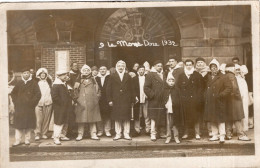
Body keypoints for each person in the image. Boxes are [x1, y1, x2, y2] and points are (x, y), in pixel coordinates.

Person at [11, 67, 41, 146]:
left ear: (30, 74)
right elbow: (13, 93)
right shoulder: (19, 83)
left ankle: (27, 140)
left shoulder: (34, 83)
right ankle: (18, 140)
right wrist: (16, 102)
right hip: (19, 107)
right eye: (24, 73)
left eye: (27, 73)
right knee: (19, 125)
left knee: (28, 124)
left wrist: (32, 103)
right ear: (22, 74)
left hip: (29, 107)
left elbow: (38, 95)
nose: (26, 74)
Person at [204, 59, 232, 143]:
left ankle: (222, 135)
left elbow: (229, 88)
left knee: (220, 119)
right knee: (212, 118)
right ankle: (215, 135)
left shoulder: (223, 76)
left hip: (219, 101)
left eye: (215, 67)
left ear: (218, 67)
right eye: (211, 67)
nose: (213, 69)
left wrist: (221, 95)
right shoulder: (208, 77)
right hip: (210, 101)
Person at [106, 60, 135, 140]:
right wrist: (110, 100)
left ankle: (126, 134)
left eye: (122, 65)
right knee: (117, 117)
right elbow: (108, 89)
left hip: (126, 100)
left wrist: (132, 100)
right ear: (116, 67)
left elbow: (132, 89)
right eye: (119, 66)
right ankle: (118, 134)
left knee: (126, 118)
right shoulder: (112, 76)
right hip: (116, 100)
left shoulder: (128, 76)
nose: (120, 67)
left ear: (124, 67)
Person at [176, 59, 204, 140]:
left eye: (190, 65)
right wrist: (181, 96)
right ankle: (186, 133)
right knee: (185, 117)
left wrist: (197, 97)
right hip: (185, 100)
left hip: (194, 100)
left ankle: (197, 133)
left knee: (196, 117)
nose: (188, 66)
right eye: (187, 65)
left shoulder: (197, 75)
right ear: (185, 65)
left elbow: (201, 87)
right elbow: (178, 87)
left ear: (193, 65)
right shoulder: (181, 75)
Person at [73, 65, 102, 141]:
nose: (86, 71)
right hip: (81, 103)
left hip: (92, 102)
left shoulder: (93, 80)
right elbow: (75, 91)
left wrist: (96, 99)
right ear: (82, 71)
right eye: (84, 70)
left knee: (92, 119)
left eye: (87, 70)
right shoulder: (78, 80)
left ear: (90, 71)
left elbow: (98, 90)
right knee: (81, 119)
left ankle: (93, 134)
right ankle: (80, 134)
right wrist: (77, 100)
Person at [225, 63, 251, 141]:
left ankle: (228, 134)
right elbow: (234, 88)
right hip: (234, 100)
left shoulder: (226, 76)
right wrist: (238, 97)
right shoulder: (232, 76)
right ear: (230, 68)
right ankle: (241, 135)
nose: (235, 69)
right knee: (237, 117)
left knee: (229, 117)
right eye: (234, 68)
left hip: (228, 100)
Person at [144, 60, 166, 141]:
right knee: (153, 117)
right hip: (154, 100)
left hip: (163, 99)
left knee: (162, 116)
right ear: (154, 66)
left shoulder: (164, 74)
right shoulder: (150, 75)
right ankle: (153, 133)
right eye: (158, 65)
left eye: (161, 66)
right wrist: (153, 95)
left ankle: (162, 133)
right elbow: (146, 87)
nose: (160, 67)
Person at [51, 70, 73, 145]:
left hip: (65, 106)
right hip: (59, 107)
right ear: (59, 76)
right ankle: (56, 137)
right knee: (59, 122)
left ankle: (62, 135)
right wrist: (62, 103)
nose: (65, 76)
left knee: (65, 121)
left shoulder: (64, 83)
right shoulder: (56, 84)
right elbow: (54, 97)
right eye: (63, 75)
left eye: (65, 74)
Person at [162, 73, 184, 144]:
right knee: (168, 123)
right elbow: (162, 99)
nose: (171, 83)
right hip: (167, 109)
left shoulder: (177, 90)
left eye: (172, 81)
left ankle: (176, 137)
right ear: (167, 82)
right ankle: (168, 137)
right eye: (169, 81)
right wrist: (165, 104)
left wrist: (176, 105)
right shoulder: (165, 90)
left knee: (175, 123)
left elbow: (179, 100)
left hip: (175, 109)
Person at [34, 68, 53, 140]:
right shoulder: (36, 83)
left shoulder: (49, 82)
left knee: (46, 119)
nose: (42, 75)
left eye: (44, 74)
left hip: (48, 102)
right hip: (38, 103)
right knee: (38, 119)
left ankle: (44, 133)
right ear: (39, 75)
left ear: (46, 75)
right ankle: (37, 134)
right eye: (41, 74)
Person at [132, 65, 151, 137]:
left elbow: (150, 88)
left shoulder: (147, 78)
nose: (141, 71)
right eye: (140, 70)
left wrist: (148, 95)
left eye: (142, 70)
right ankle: (137, 130)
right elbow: (132, 89)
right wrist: (135, 97)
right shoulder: (134, 79)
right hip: (137, 99)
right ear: (137, 71)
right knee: (137, 115)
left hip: (146, 98)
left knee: (147, 115)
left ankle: (148, 129)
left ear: (144, 71)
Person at [95, 66, 112, 137]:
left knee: (107, 115)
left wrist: (111, 99)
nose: (102, 70)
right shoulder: (96, 78)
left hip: (107, 99)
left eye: (104, 69)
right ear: (99, 70)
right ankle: (100, 131)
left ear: (106, 70)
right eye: (101, 69)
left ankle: (107, 130)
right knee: (99, 115)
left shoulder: (110, 78)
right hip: (98, 99)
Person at [235, 64, 249, 132]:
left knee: (243, 111)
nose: (237, 71)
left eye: (238, 70)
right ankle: (236, 129)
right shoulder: (234, 78)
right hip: (236, 98)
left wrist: (242, 95)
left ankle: (243, 128)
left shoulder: (242, 79)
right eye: (236, 70)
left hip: (242, 97)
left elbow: (244, 89)